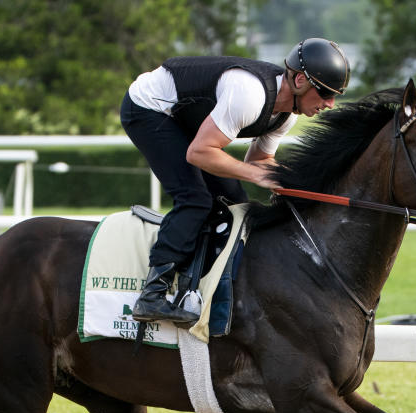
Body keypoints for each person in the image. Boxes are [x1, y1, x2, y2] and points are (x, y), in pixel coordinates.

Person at [122, 38, 350, 324]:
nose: (330, 104)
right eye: (326, 93)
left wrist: (296, 186)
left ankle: (208, 284)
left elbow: (259, 161)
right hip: (148, 109)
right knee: (195, 199)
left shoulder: (284, 116)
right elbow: (200, 153)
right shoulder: (249, 95)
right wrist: (256, 173)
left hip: (185, 118)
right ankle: (152, 295)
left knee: (236, 203)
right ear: (301, 80)